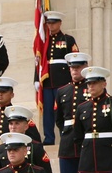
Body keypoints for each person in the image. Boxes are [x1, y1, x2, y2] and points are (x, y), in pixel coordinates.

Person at [51, 54, 90, 173]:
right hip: (67, 143)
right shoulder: (62, 91)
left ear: (85, 66)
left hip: (86, 143)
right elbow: (59, 120)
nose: (74, 70)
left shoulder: (91, 88)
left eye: (78, 66)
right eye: (72, 67)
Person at [34, 11, 80, 145]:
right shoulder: (44, 42)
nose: (50, 26)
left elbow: (75, 59)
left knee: (63, 111)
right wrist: (36, 78)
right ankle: (49, 138)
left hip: (63, 80)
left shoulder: (67, 39)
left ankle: (64, 136)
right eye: (48, 23)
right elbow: (40, 62)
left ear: (60, 23)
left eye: (53, 23)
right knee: (48, 111)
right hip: (48, 81)